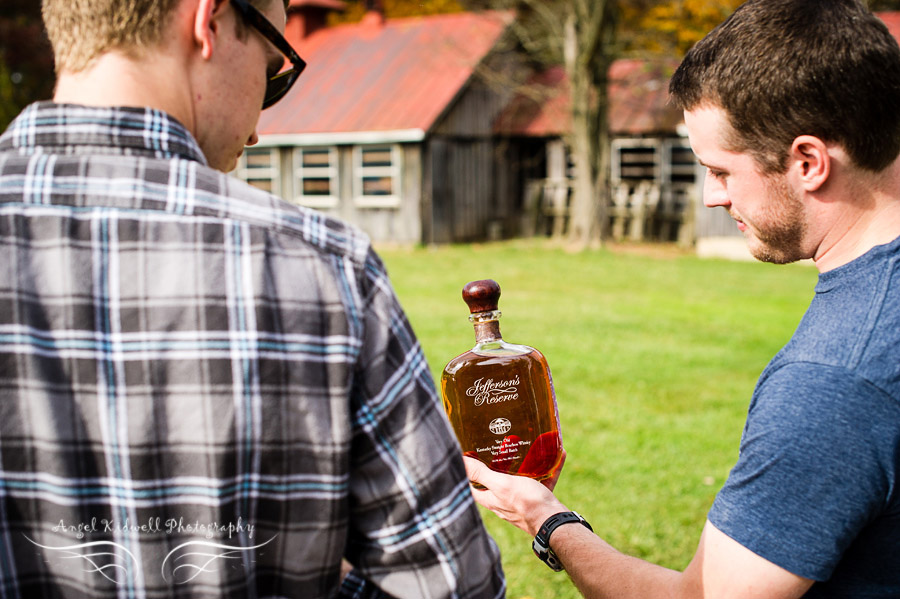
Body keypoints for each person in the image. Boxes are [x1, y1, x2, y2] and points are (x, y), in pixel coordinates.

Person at [0, 0, 505, 597]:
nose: (261, 125)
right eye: (272, 72)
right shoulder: (326, 267)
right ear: (208, 21)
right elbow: (454, 587)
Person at [464, 0, 900, 597]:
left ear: (808, 162)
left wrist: (546, 518)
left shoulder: (832, 380)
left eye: (719, 171)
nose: (710, 198)